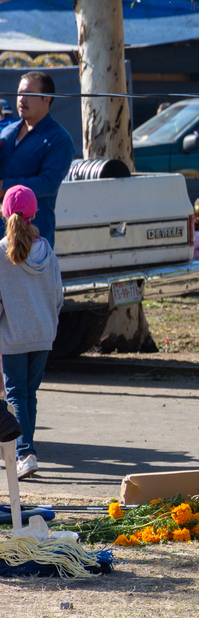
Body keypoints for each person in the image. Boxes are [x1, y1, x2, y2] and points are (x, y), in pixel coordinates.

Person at [0, 186, 62, 479]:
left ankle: (25, 453)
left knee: (16, 394)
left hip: (13, 336)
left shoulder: (2, 252)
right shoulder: (47, 250)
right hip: (43, 334)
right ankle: (28, 449)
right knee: (29, 394)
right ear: (35, 213)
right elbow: (58, 295)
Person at [0, 71, 74, 247]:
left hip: (32, 237)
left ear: (46, 98)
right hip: (3, 236)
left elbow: (47, 184)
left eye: (28, 94)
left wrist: (4, 187)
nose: (21, 99)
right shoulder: (8, 132)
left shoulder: (59, 139)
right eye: (19, 93)